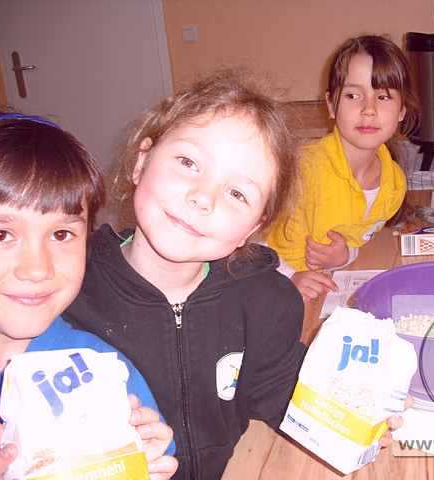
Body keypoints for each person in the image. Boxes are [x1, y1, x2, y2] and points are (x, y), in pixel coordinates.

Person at [62, 66, 405, 480]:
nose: (203, 198)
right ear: (141, 162)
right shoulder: (64, 297)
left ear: (254, 228)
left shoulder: (264, 300)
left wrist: (352, 411)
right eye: (188, 162)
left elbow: (279, 388)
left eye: (237, 193)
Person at [0, 110, 177, 480]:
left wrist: (149, 461)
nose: (38, 269)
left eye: (61, 235)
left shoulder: (102, 366)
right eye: (0, 234)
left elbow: (152, 458)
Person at [265, 35, 420, 303]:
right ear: (331, 104)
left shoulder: (394, 185)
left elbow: (358, 237)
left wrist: (346, 254)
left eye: (383, 96)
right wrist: (287, 277)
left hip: (317, 292)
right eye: (353, 95)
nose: (368, 109)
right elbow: (247, 237)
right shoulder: (302, 170)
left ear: (402, 110)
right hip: (265, 284)